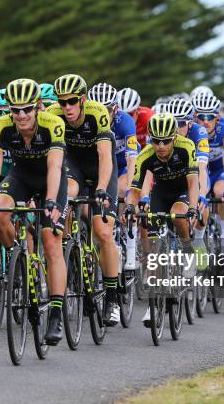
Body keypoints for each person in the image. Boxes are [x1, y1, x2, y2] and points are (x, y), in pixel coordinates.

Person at [0, 78, 68, 345]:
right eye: (15, 109)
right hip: (20, 176)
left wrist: (53, 200)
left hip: (50, 180)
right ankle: (17, 260)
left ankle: (56, 312)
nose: (21, 115)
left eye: (27, 109)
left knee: (51, 240)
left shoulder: (53, 124)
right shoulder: (0, 126)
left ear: (39, 107)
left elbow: (55, 166)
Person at [48, 74, 121, 327]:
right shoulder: (52, 114)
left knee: (102, 232)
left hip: (99, 165)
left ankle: (112, 298)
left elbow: (104, 156)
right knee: (67, 195)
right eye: (62, 102)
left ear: (82, 99)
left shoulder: (97, 112)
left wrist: (101, 188)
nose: (66, 107)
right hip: (74, 166)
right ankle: (72, 255)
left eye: (71, 102)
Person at [124, 113, 199, 327]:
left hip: (182, 191)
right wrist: (130, 206)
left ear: (174, 137)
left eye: (165, 140)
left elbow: (193, 182)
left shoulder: (186, 147)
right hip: (161, 194)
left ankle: (187, 249)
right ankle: (154, 304)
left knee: (177, 217)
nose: (161, 145)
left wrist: (192, 208)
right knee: (155, 247)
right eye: (156, 140)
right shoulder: (146, 154)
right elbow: (135, 187)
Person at [88, 82, 139, 270]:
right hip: (101, 165)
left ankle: (130, 244)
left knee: (123, 188)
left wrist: (132, 193)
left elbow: (132, 159)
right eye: (97, 110)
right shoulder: (88, 122)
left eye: (106, 110)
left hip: (123, 164)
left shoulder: (125, 122)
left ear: (115, 109)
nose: (102, 115)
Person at [192, 92, 224, 241]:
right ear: (194, 117)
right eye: (201, 117)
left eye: (209, 117)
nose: (205, 121)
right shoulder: (190, 131)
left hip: (218, 171)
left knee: (221, 191)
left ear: (217, 117)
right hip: (199, 170)